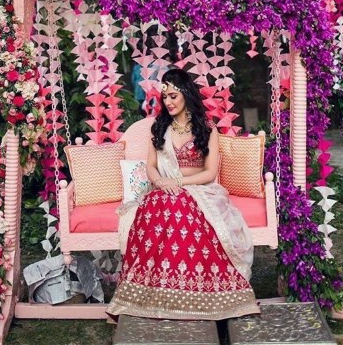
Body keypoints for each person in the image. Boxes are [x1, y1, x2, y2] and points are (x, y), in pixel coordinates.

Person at [107, 67, 259, 320]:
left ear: (187, 94)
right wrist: (161, 182)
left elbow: (210, 173)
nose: (167, 102)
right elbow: (151, 166)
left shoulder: (206, 129)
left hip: (200, 188)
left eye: (173, 96)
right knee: (157, 206)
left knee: (182, 206)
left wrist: (178, 182)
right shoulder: (159, 128)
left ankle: (199, 291)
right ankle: (158, 292)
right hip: (163, 187)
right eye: (165, 97)